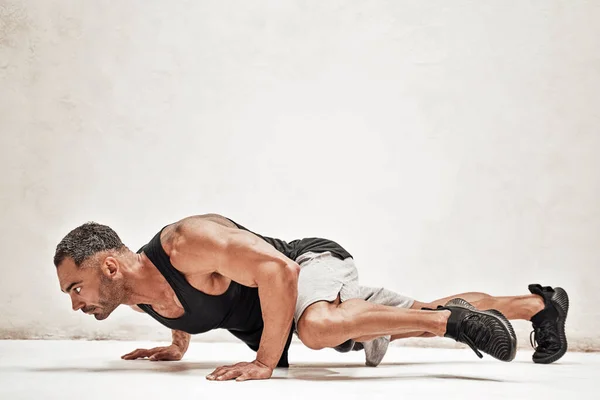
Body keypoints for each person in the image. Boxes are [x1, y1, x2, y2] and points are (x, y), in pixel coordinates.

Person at [54, 213, 569, 382]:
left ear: (111, 266)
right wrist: (178, 345)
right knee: (415, 309)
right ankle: (540, 307)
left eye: (76, 287)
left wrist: (265, 361)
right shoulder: (133, 293)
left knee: (318, 329)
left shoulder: (185, 242)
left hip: (305, 265)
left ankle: (452, 326)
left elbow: (277, 270)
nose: (76, 303)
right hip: (288, 301)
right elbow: (175, 300)